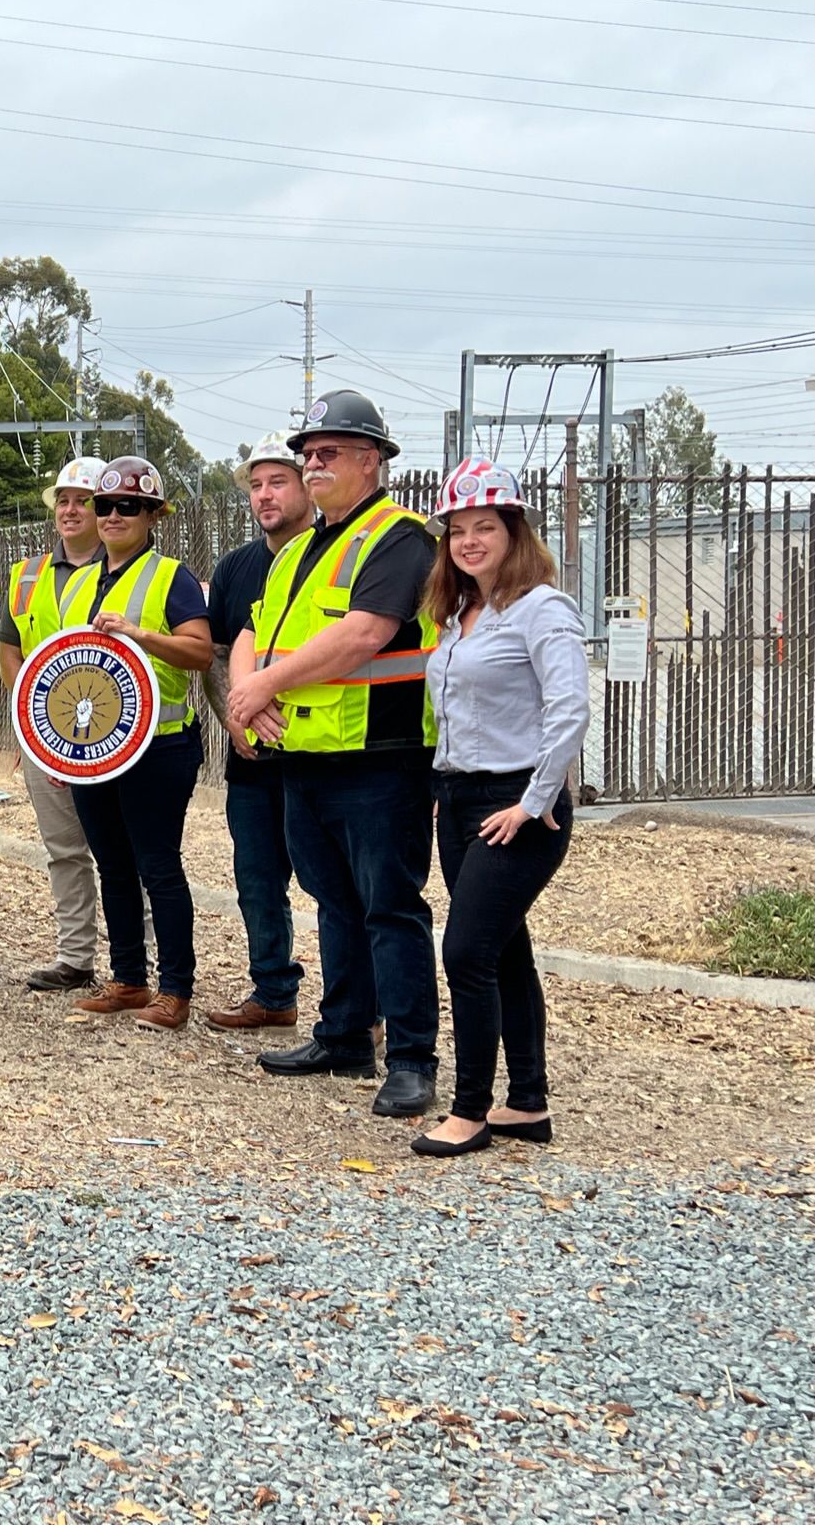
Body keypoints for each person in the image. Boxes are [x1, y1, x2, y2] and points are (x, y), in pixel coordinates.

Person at [227, 390, 440, 1119]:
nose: (311, 465)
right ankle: (344, 1034)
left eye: (328, 453)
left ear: (372, 460)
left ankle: (411, 1058)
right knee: (334, 905)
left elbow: (363, 635)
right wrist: (245, 694)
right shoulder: (299, 548)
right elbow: (254, 628)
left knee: (390, 909)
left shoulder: (401, 537)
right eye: (306, 454)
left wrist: (260, 689)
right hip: (307, 757)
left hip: (379, 757)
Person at [412, 458, 588, 1159]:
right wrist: (438, 790)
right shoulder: (459, 613)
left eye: (484, 526)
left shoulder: (541, 607)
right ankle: (528, 1104)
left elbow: (569, 709)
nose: (468, 541)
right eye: (457, 530)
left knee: (465, 953)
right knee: (504, 952)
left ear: (514, 531)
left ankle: (469, 1111)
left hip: (514, 803)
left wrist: (532, 799)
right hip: (456, 799)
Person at [59, 456, 213, 1027]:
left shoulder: (171, 577)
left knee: (158, 866)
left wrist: (142, 635)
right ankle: (127, 980)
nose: (113, 515)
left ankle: (176, 990)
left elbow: (200, 652)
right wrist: (59, 749)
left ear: (153, 516)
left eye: (129, 505)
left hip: (160, 745)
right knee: (112, 866)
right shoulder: (77, 584)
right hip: (93, 749)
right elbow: (64, 673)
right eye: (105, 505)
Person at [200, 433, 314, 1029]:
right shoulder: (236, 568)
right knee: (257, 881)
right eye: (256, 485)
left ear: (306, 486)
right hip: (251, 759)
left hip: (319, 752)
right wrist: (234, 719)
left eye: (279, 481)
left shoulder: (333, 556)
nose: (265, 495)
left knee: (334, 885)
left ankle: (363, 1010)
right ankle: (273, 993)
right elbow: (217, 655)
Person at [0, 456, 106, 993]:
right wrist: (29, 714)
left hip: (113, 737)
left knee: (124, 853)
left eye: (81, 500)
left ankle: (144, 962)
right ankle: (76, 957)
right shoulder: (26, 574)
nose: (69, 509)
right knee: (64, 849)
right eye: (63, 500)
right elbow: (10, 646)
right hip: (47, 736)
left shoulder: (127, 569)